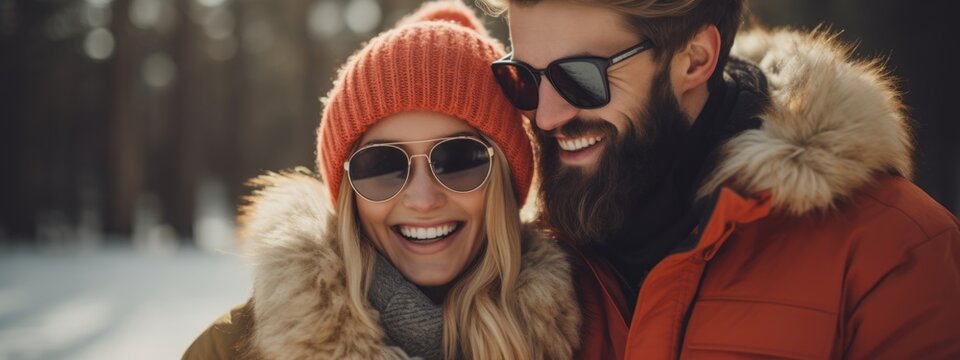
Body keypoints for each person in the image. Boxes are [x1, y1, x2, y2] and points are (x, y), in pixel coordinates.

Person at [481, 0, 960, 358]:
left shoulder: (893, 249)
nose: (545, 116)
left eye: (579, 78)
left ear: (694, 59)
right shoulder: (509, 269)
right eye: (522, 78)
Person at [182, 2, 581, 359]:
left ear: (506, 181)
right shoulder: (227, 352)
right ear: (348, 193)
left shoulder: (591, 336)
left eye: (458, 159)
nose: (423, 199)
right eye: (381, 166)